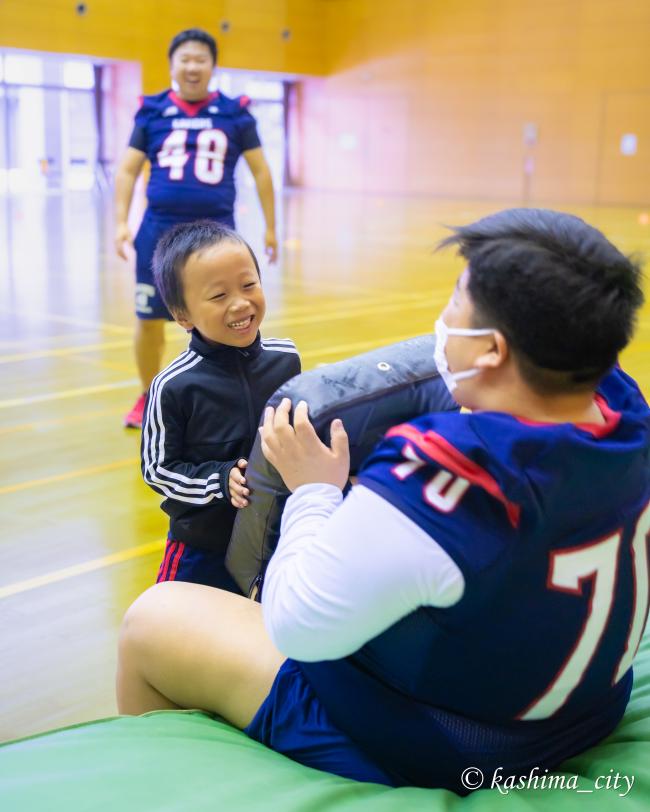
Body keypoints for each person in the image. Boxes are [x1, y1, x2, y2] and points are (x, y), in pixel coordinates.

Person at [117, 209, 649, 793]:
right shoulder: (626, 407)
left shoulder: (443, 474)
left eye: (456, 303)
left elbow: (298, 627)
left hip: (457, 744)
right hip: (591, 708)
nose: (443, 321)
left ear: (493, 349)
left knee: (154, 617)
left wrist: (315, 490)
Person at [115, 27, 278, 429]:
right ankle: (149, 395)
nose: (192, 66)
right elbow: (128, 169)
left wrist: (272, 228)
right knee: (149, 318)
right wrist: (120, 222)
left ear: (212, 66)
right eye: (184, 59)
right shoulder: (152, 110)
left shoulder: (235, 112)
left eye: (200, 59)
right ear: (173, 65)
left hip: (215, 233)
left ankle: (227, 394)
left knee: (227, 313)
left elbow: (260, 171)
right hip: (157, 231)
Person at [141, 220, 300, 592]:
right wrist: (218, 479)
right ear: (183, 316)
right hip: (203, 546)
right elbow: (157, 470)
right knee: (178, 634)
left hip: (273, 537)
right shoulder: (174, 386)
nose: (241, 303)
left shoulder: (286, 359)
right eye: (218, 296)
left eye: (249, 285)